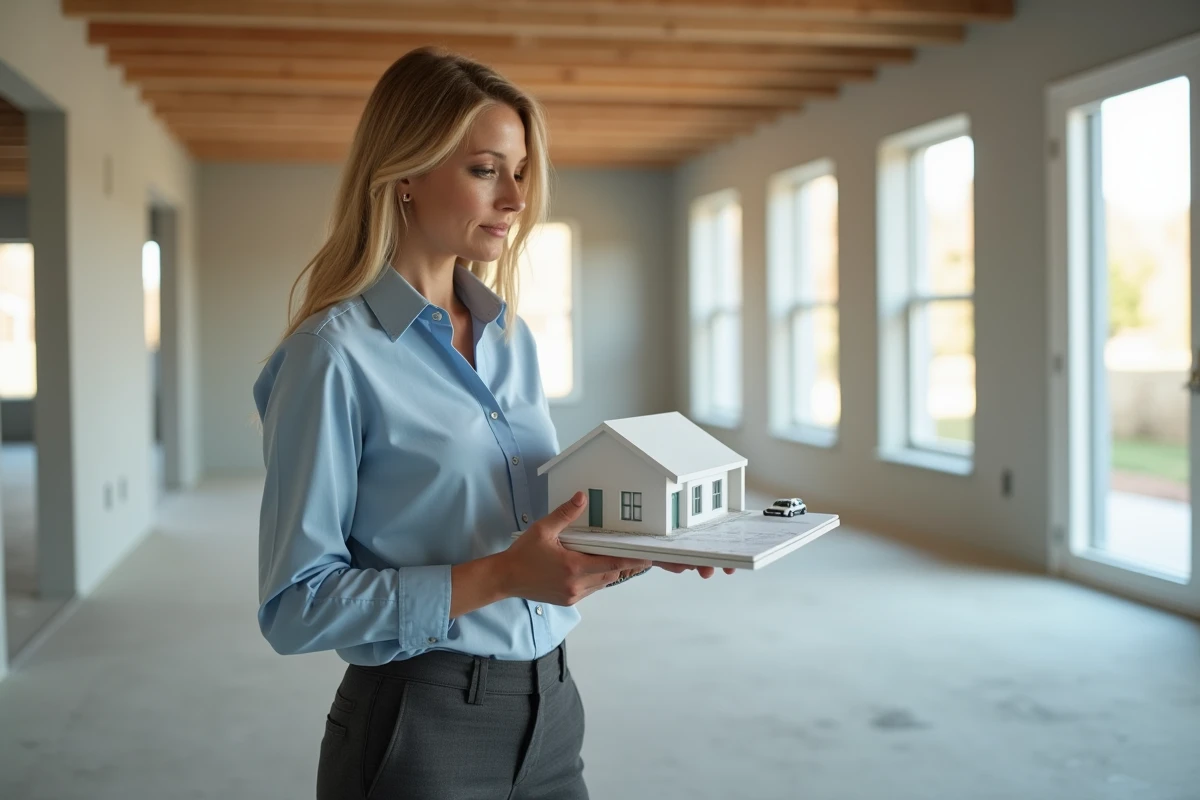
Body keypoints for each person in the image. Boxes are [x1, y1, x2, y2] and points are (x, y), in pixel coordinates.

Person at [253, 46, 732, 800]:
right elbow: (294, 608)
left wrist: (636, 542)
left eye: (521, 172)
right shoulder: (332, 355)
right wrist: (503, 576)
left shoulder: (511, 339)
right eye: (485, 170)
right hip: (419, 726)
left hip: (552, 708)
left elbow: (524, 527)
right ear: (404, 174)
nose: (514, 199)